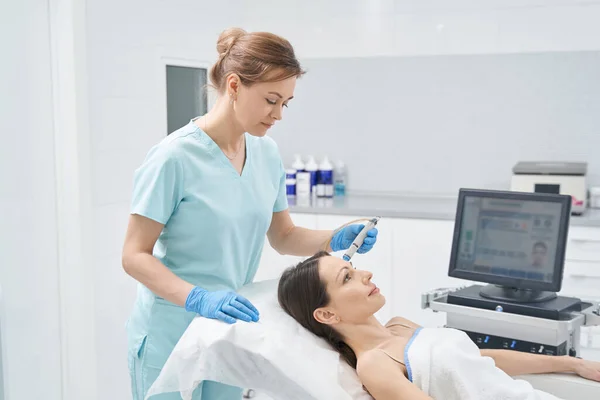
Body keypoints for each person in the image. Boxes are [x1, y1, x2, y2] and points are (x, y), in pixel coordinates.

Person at [121, 28, 379, 400]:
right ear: (234, 85)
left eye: (285, 103)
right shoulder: (173, 158)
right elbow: (133, 255)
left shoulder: (266, 153)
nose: (278, 114)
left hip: (227, 330)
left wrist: (335, 237)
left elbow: (283, 236)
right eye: (271, 100)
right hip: (171, 330)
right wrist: (198, 298)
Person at [278, 251, 600, 400]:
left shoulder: (400, 326)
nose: (367, 275)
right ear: (327, 315)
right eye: (347, 277)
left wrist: (571, 364)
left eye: (354, 268)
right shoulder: (374, 364)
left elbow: (481, 358)